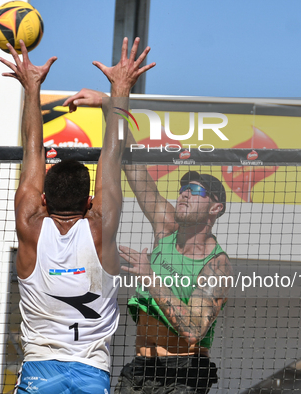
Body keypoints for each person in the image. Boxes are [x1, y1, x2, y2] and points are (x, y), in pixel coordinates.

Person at [1, 37, 155, 393]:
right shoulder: (101, 226)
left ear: (41, 199)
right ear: (89, 202)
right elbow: (113, 154)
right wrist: (120, 88)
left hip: (40, 370)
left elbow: (33, 150)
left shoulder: (29, 228)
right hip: (90, 372)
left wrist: (31, 87)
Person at [65, 90, 232, 393]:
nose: (184, 193)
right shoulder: (166, 228)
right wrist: (109, 104)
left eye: (196, 191)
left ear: (215, 208)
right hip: (140, 369)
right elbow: (133, 165)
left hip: (182, 376)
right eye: (184, 188)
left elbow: (193, 330)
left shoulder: (216, 264)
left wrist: (150, 278)